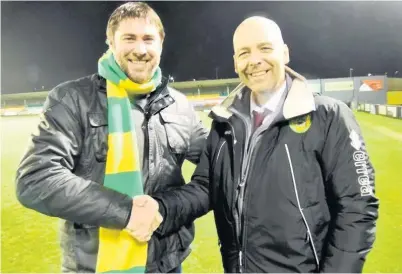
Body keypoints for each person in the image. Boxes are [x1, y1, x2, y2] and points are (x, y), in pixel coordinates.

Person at [152, 16, 379, 273]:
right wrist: (158, 209)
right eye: (244, 52)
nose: (255, 60)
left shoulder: (328, 116)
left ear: (285, 53)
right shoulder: (224, 122)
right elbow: (206, 187)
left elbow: (358, 207)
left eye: (265, 48)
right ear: (236, 62)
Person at [15, 2, 208, 273]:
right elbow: (36, 178)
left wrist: (165, 209)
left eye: (148, 39)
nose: (140, 50)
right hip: (94, 266)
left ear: (161, 44)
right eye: (129, 38)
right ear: (111, 42)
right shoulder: (72, 99)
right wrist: (127, 213)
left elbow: (216, 173)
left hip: (167, 264)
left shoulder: (180, 106)